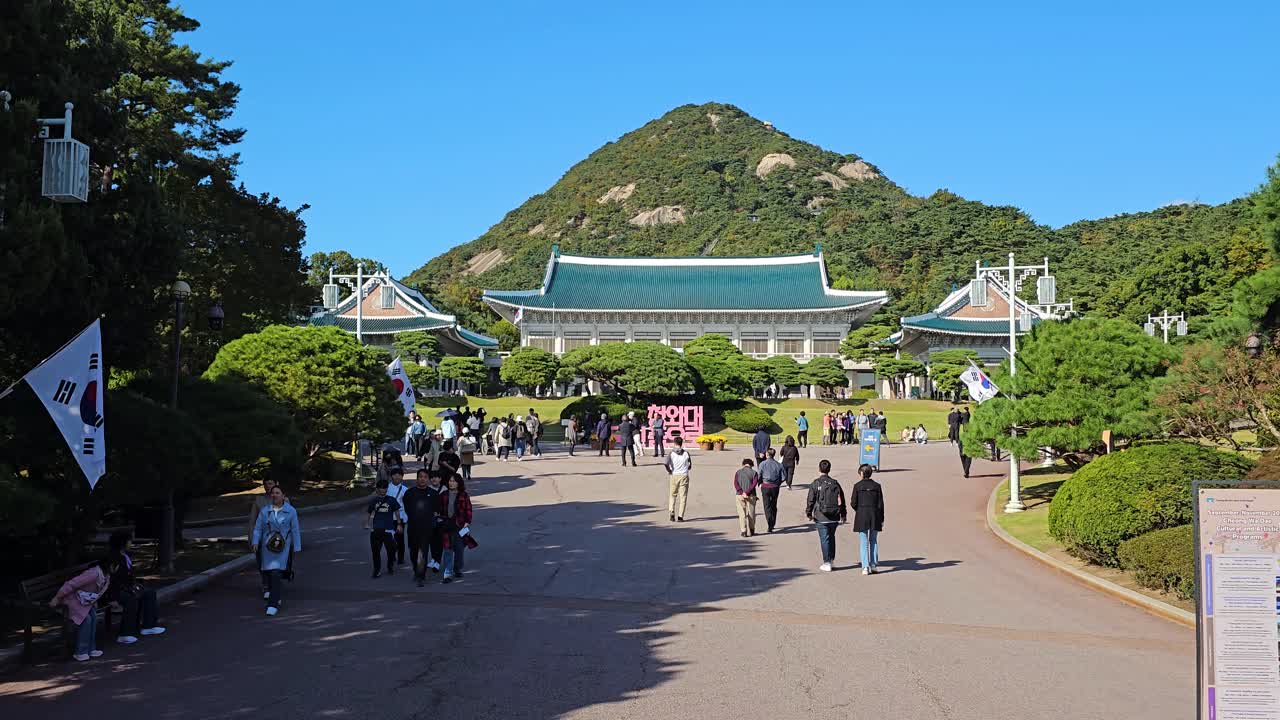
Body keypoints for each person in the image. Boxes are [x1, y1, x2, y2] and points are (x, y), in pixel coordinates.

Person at [105, 531, 164, 645]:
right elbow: (111, 579)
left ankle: (148, 625)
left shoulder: (125, 556)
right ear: (122, 543)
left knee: (149, 593)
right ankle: (125, 633)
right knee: (130, 599)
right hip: (114, 591)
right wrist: (114, 597)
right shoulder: (113, 558)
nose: (130, 543)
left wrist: (135, 585)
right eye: (129, 541)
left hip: (126, 588)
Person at [251, 485, 301, 616]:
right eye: (273, 493)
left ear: (283, 496)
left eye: (277, 493)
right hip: (268, 546)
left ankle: (272, 605)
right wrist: (255, 541)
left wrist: (297, 547)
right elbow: (257, 528)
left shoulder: (291, 511)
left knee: (276, 573)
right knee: (269, 573)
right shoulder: (265, 511)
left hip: (283, 547)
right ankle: (276, 596)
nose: (274, 495)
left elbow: (295, 529)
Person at [50, 558, 110, 661]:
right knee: (86, 619)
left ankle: (91, 649)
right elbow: (71, 584)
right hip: (71, 600)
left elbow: (96, 592)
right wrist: (57, 597)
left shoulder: (105, 576)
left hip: (82, 601)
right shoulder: (93, 574)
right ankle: (81, 652)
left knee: (93, 616)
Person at [402, 469, 443, 587]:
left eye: (425, 477)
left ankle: (421, 575)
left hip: (427, 528)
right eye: (420, 477)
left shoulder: (433, 494)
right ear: (417, 478)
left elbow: (436, 509)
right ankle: (416, 570)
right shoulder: (410, 493)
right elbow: (407, 508)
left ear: (428, 479)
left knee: (423, 552)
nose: (423, 479)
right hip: (413, 527)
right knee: (413, 551)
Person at [805, 459, 847, 572]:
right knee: (831, 537)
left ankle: (827, 562)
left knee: (825, 539)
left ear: (819, 469)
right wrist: (843, 514)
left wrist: (808, 513)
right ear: (829, 469)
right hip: (834, 515)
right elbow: (841, 500)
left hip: (821, 515)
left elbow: (810, 500)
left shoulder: (816, 483)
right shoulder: (835, 483)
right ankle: (831, 559)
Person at [851, 464, 885, 575]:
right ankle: (874, 564)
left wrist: (859, 509)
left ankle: (865, 566)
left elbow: (853, 503)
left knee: (863, 542)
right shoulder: (877, 486)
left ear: (861, 473)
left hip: (862, 515)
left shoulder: (857, 486)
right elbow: (880, 504)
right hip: (875, 515)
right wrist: (882, 518)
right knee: (873, 540)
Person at [439, 474, 473, 584]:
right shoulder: (444, 495)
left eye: (454, 481)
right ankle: (447, 573)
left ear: (458, 483)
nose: (451, 483)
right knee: (447, 550)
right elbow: (439, 508)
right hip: (447, 526)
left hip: (460, 526)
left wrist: (467, 523)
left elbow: (468, 509)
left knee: (459, 550)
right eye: (450, 480)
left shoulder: (464, 495)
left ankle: (457, 568)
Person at [365, 480, 402, 578]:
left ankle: (390, 566)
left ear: (387, 489)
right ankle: (376, 570)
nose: (383, 490)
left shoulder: (392, 500)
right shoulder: (374, 500)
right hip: (376, 530)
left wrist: (399, 524)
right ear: (377, 489)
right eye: (381, 488)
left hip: (388, 530)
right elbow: (369, 512)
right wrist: (366, 523)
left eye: (385, 488)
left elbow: (397, 511)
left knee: (391, 550)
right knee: (375, 552)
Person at [248, 478, 277, 598]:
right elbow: (252, 521)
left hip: (277, 537)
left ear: (276, 484)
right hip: (261, 537)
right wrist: (251, 537)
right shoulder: (259, 500)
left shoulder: (283, 499)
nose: (268, 486)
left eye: (270, 483)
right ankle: (266, 584)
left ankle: (274, 584)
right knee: (262, 562)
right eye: (265, 484)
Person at [664, 436, 692, 522]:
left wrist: (669, 470)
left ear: (674, 443)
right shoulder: (686, 453)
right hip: (684, 475)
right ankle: (680, 516)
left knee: (673, 495)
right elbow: (690, 465)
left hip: (674, 475)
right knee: (683, 496)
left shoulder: (671, 453)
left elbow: (665, 463)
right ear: (681, 443)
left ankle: (672, 511)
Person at [758, 448, 785, 532]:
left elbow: (759, 475)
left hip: (765, 486)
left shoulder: (762, 464)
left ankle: (769, 522)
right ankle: (772, 522)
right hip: (775, 486)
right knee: (773, 504)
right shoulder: (779, 465)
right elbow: (784, 477)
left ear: (767, 454)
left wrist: (759, 483)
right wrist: (778, 483)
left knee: (767, 505)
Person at [386, 471, 408, 569]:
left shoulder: (405, 490)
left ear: (402, 477)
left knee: (400, 538)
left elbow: (407, 505)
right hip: (389, 517)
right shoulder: (386, 488)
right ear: (391, 476)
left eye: (399, 474)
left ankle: (400, 557)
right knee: (390, 538)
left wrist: (407, 517)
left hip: (401, 517)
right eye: (395, 474)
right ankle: (392, 555)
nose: (397, 476)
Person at [733, 458, 760, 537]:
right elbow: (754, 484)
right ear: (751, 465)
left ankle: (743, 531)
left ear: (743, 464)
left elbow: (736, 483)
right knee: (751, 513)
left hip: (739, 495)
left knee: (742, 514)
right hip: (751, 495)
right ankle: (752, 530)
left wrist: (742, 492)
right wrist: (747, 492)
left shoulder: (738, 472)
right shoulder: (754, 473)